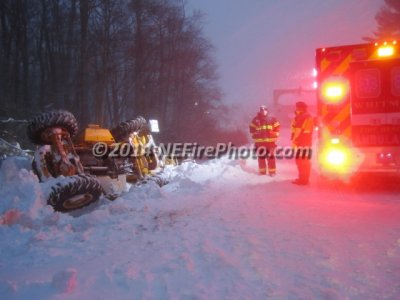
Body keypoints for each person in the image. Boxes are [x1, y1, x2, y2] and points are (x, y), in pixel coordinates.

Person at [249, 105, 280, 176]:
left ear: (267, 110)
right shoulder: (256, 119)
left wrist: (276, 134)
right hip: (260, 142)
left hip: (270, 142)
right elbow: (251, 128)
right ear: (260, 111)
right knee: (261, 157)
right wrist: (254, 134)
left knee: (271, 157)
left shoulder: (272, 119)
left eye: (265, 110)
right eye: (262, 110)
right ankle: (262, 172)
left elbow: (277, 126)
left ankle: (272, 172)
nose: (263, 111)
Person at [291, 101, 314, 185]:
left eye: (298, 107)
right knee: (300, 161)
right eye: (297, 107)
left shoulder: (305, 117)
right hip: (300, 143)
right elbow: (296, 130)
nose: (296, 108)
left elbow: (305, 131)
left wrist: (298, 139)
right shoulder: (300, 117)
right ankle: (302, 179)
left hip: (303, 143)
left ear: (302, 108)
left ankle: (304, 180)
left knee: (303, 162)